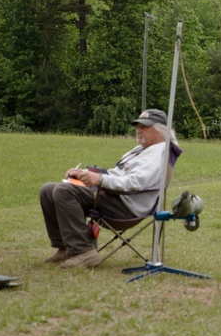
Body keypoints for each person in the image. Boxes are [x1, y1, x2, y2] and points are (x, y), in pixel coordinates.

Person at [39, 109, 171, 269]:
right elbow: (116, 174)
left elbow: (133, 183)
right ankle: (65, 248)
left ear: (161, 131)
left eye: (145, 127)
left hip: (126, 206)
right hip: (113, 196)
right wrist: (84, 174)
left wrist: (100, 180)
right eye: (138, 126)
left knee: (64, 191)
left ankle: (84, 252)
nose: (139, 130)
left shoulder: (156, 156)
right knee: (47, 190)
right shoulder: (140, 150)